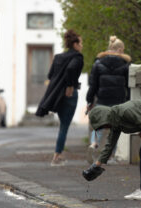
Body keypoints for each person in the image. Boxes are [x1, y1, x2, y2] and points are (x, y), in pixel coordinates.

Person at [35, 30, 84, 166]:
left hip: (56, 95)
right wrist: (69, 86)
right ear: (75, 44)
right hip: (69, 94)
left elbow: (50, 75)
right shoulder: (78, 57)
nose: (82, 46)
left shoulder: (57, 57)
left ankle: (59, 154)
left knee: (63, 125)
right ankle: (57, 155)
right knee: (64, 126)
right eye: (81, 43)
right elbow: (70, 70)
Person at [85, 36, 131, 164]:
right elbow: (128, 86)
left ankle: (94, 144)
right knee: (115, 128)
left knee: (98, 126)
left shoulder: (98, 63)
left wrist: (89, 101)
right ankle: (111, 156)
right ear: (120, 49)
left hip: (102, 99)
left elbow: (93, 85)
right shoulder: (125, 64)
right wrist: (129, 100)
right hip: (118, 100)